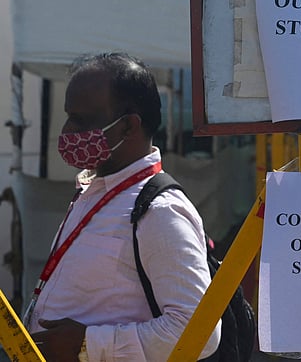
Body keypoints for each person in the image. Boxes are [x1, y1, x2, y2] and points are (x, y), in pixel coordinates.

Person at [25, 52, 220, 361]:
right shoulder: (93, 191)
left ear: (129, 126)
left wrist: (87, 346)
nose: (67, 132)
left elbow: (201, 332)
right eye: (68, 116)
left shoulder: (160, 211)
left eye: (82, 120)